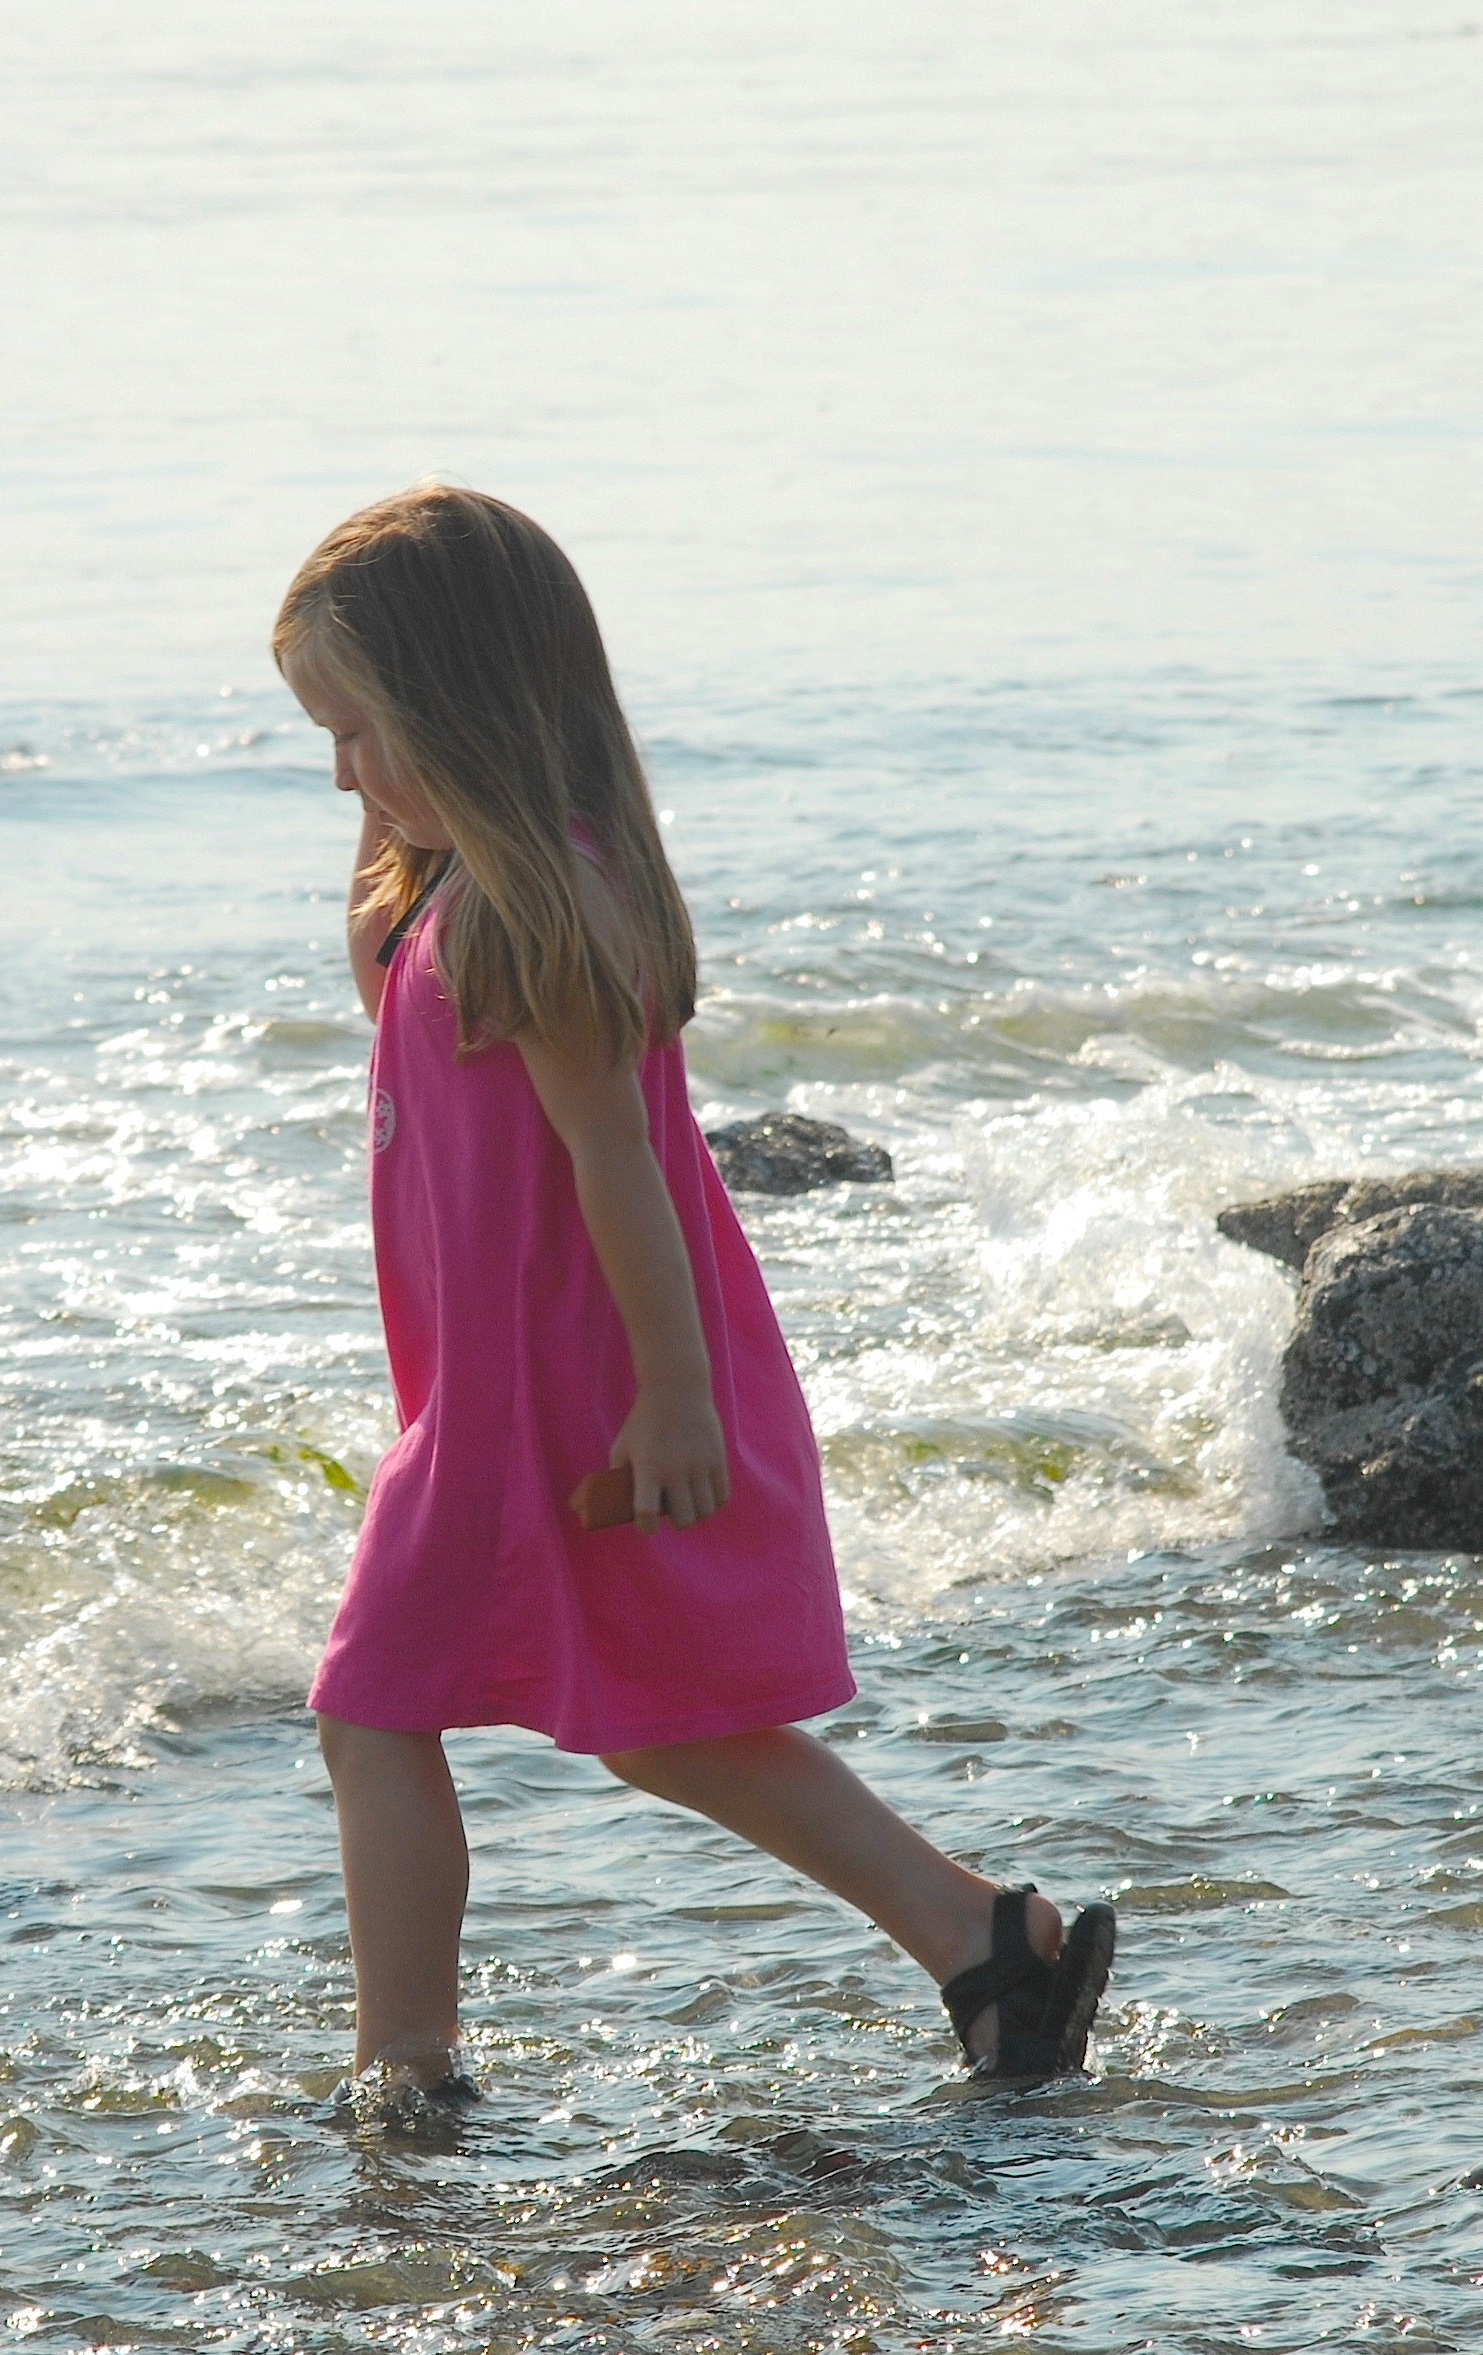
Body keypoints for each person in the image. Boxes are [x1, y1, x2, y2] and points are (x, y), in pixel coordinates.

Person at [275, 486, 1116, 2103]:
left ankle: (405, 2068)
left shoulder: (534, 911)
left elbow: (622, 1170)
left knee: (370, 1706)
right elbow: (382, 980)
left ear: (457, 713)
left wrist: (674, 1397)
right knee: (648, 1716)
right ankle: (979, 1937)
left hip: (565, 1393)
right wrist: (391, 807)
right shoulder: (472, 891)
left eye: (358, 733)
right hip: (512, 1390)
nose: (340, 774)